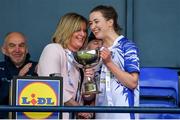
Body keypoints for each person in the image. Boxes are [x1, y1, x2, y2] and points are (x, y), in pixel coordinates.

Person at [37, 12, 93, 119]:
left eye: (85, 31)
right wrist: (79, 109)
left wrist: (89, 78)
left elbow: (88, 96)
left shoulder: (80, 58)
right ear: (67, 30)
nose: (83, 34)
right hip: (54, 116)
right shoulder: (53, 49)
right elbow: (53, 87)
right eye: (78, 30)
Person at [89, 5, 140, 119]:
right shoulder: (97, 52)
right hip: (100, 115)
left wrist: (109, 63)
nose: (92, 27)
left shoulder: (127, 46)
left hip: (123, 115)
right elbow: (93, 92)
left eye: (96, 21)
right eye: (91, 23)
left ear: (110, 22)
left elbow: (132, 82)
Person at [0, 32, 38, 118]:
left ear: (26, 49)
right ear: (4, 50)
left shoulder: (37, 68)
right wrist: (18, 79)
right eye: (12, 45)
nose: (17, 50)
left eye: (21, 45)